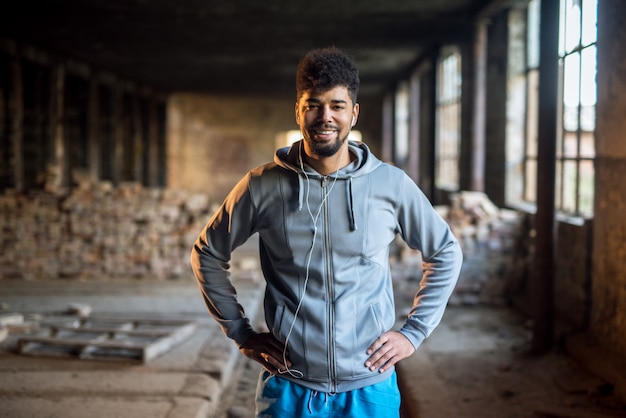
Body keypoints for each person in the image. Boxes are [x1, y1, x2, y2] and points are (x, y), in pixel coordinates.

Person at [190, 47, 463, 418]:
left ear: (354, 112)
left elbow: (445, 251)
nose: (325, 117)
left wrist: (413, 333)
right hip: (289, 385)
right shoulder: (261, 186)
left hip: (370, 386)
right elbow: (207, 251)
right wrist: (240, 331)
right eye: (313, 105)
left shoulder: (390, 184)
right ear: (298, 111)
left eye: (337, 105)